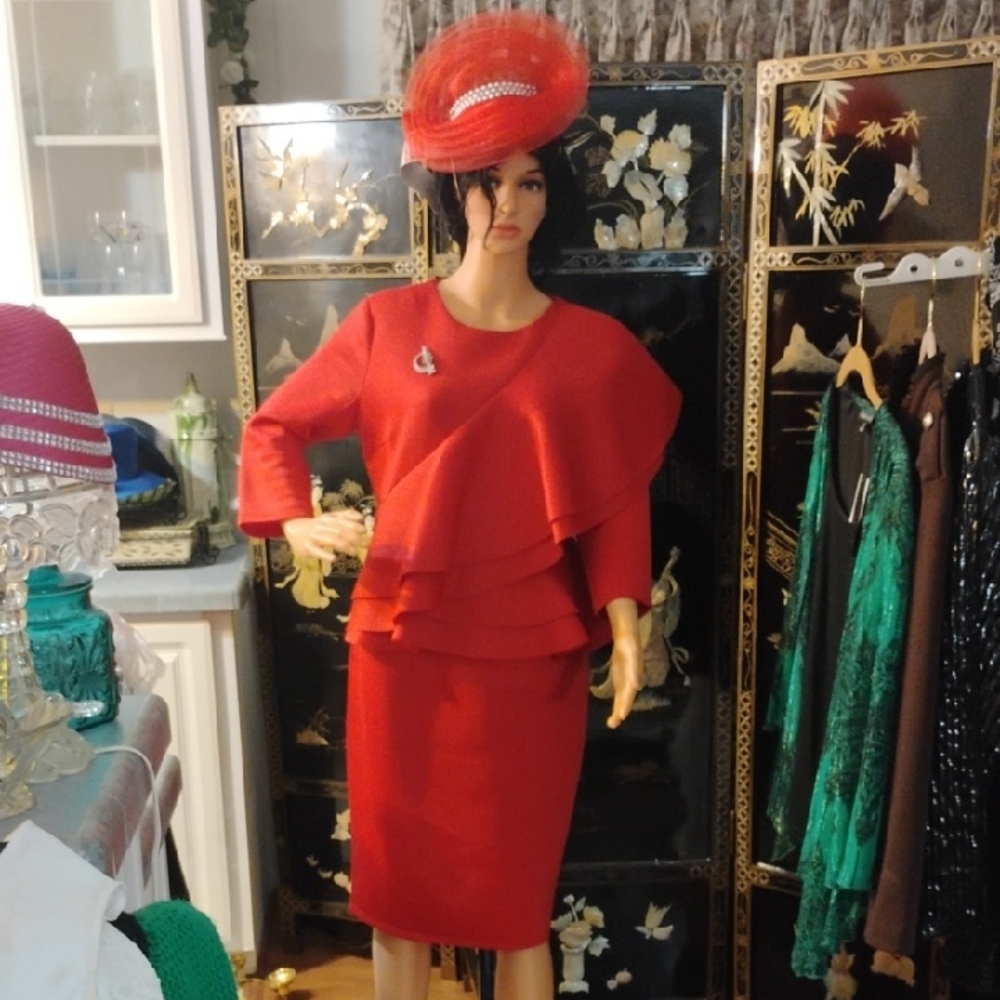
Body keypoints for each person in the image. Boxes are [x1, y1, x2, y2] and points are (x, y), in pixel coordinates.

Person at [237, 11, 681, 1000]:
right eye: (487, 183)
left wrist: (622, 617)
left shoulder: (589, 349)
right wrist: (295, 515)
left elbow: (614, 498)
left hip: (531, 664)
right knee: (400, 904)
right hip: (403, 651)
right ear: (453, 191)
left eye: (528, 181)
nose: (508, 205)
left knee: (515, 904)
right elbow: (271, 427)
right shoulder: (385, 326)